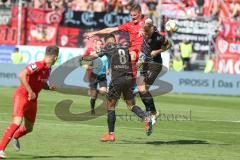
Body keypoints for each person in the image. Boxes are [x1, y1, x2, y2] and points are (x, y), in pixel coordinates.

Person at [86, 4, 158, 118]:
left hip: (143, 52)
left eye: (135, 15)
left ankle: (131, 87)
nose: (133, 17)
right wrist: (94, 33)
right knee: (124, 58)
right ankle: (129, 87)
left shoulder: (146, 22)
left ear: (140, 14)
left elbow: (152, 27)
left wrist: (145, 30)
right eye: (131, 15)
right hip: (133, 52)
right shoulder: (128, 25)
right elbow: (111, 29)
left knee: (132, 56)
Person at [82, 34, 152, 141]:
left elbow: (93, 57)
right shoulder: (125, 48)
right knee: (131, 105)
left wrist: (85, 59)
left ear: (107, 43)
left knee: (110, 106)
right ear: (115, 40)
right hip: (129, 79)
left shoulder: (108, 49)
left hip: (117, 80)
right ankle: (145, 117)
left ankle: (111, 134)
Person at [0, 46, 59, 159]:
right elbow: (21, 75)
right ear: (55, 57)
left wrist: (49, 87)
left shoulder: (48, 69)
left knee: (29, 128)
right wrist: (30, 91)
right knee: (17, 122)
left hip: (33, 99)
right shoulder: (38, 65)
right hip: (22, 96)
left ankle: (15, 136)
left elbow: (42, 83)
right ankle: (1, 149)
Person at [137, 21, 172, 125]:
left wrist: (157, 52)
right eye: (144, 33)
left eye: (147, 34)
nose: (145, 36)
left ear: (150, 32)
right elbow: (147, 22)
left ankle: (153, 112)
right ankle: (151, 112)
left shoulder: (159, 38)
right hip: (144, 61)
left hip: (155, 64)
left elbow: (169, 45)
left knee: (144, 89)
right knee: (141, 89)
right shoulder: (144, 29)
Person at [82, 39, 108, 115]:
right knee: (94, 96)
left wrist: (109, 69)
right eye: (98, 44)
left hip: (102, 75)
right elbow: (85, 65)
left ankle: (94, 91)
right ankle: (92, 109)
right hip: (93, 76)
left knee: (103, 92)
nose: (100, 45)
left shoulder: (105, 54)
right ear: (95, 45)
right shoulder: (92, 54)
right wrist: (93, 67)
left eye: (101, 44)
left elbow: (108, 62)